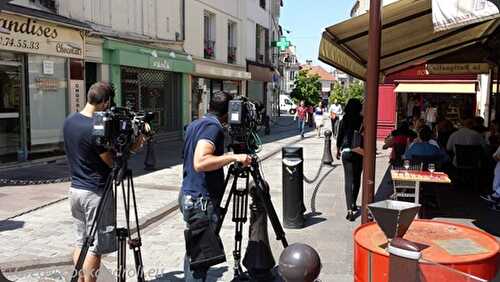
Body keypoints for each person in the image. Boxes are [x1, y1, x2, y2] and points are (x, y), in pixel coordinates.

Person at [63, 82, 144, 282]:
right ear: (105, 102)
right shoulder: (95, 129)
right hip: (95, 193)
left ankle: (80, 279)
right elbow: (110, 162)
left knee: (81, 241)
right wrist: (133, 148)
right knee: (95, 248)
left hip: (75, 190)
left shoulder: (70, 120)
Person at [180, 90, 252, 281]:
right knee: (201, 259)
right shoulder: (213, 127)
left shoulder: (195, 124)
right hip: (201, 200)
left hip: (190, 195)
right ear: (228, 112)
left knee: (195, 253)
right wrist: (233, 156)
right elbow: (200, 161)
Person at [336, 98, 363, 222]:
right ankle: (353, 203)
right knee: (357, 179)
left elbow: (339, 136)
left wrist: (337, 150)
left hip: (346, 152)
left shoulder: (344, 120)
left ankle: (349, 210)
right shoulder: (362, 120)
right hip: (358, 151)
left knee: (348, 180)